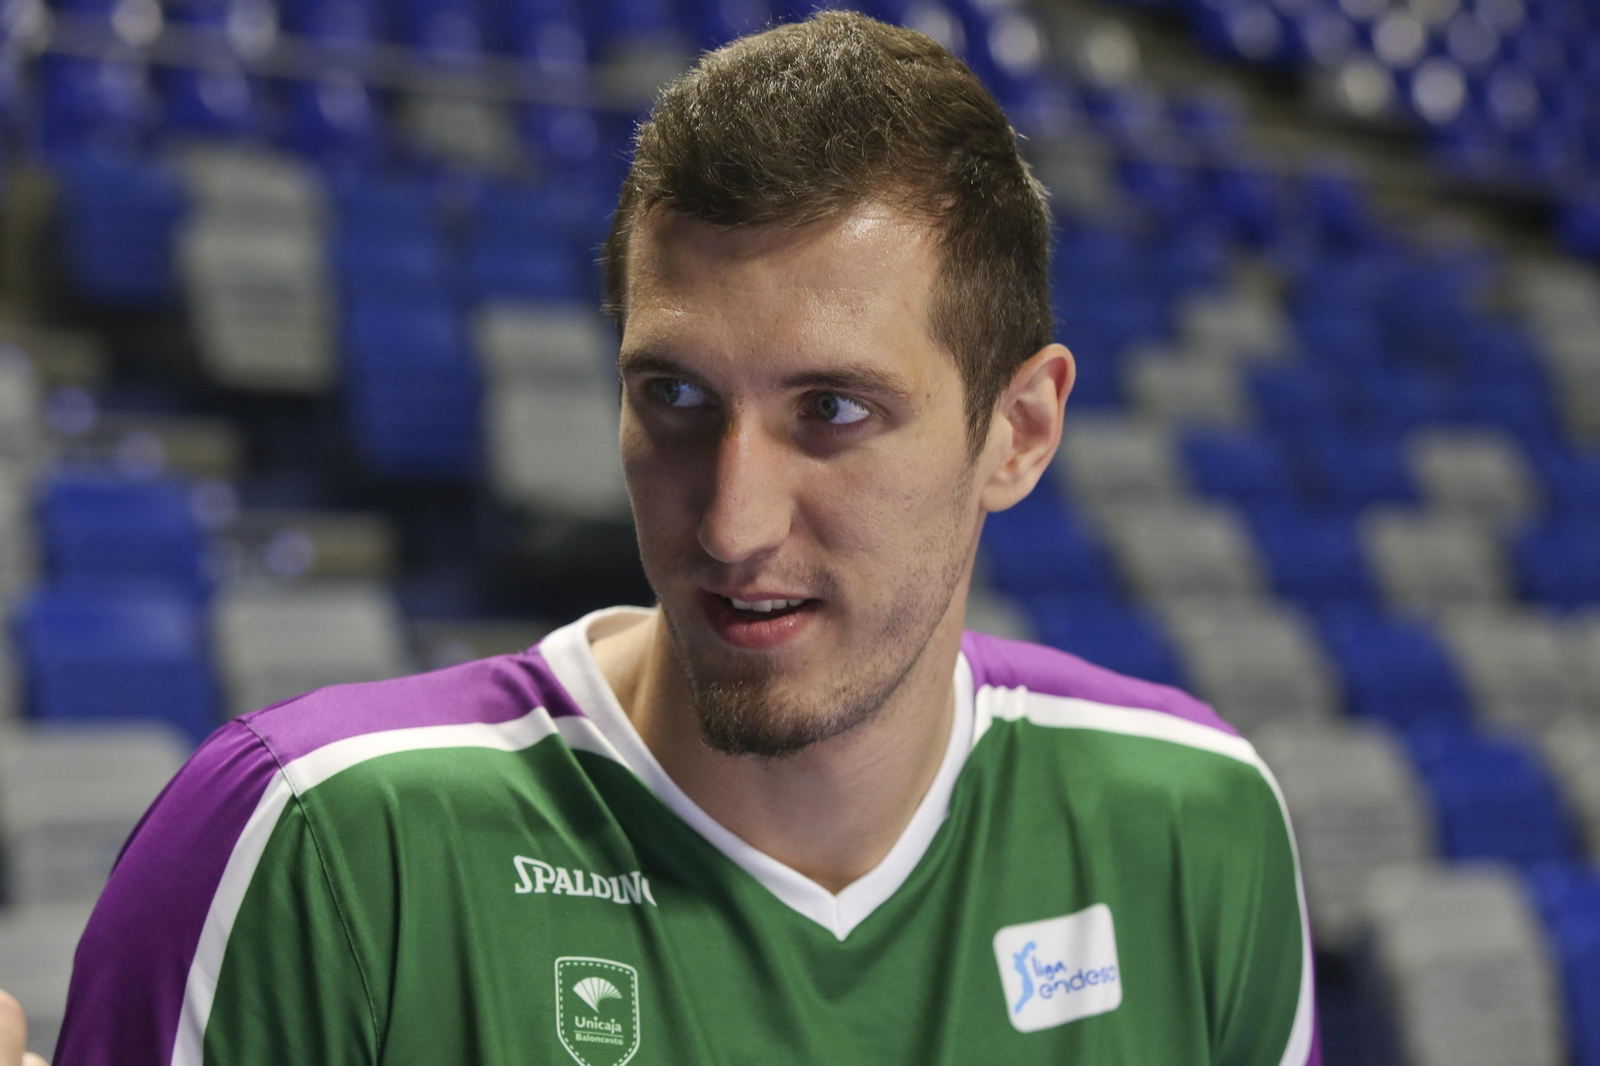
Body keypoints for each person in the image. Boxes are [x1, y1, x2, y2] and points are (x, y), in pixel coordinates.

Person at [37, 10, 1318, 1064]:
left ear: (1019, 432)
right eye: (676, 398)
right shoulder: (323, 842)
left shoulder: (1193, 821)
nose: (730, 519)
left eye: (831, 411)